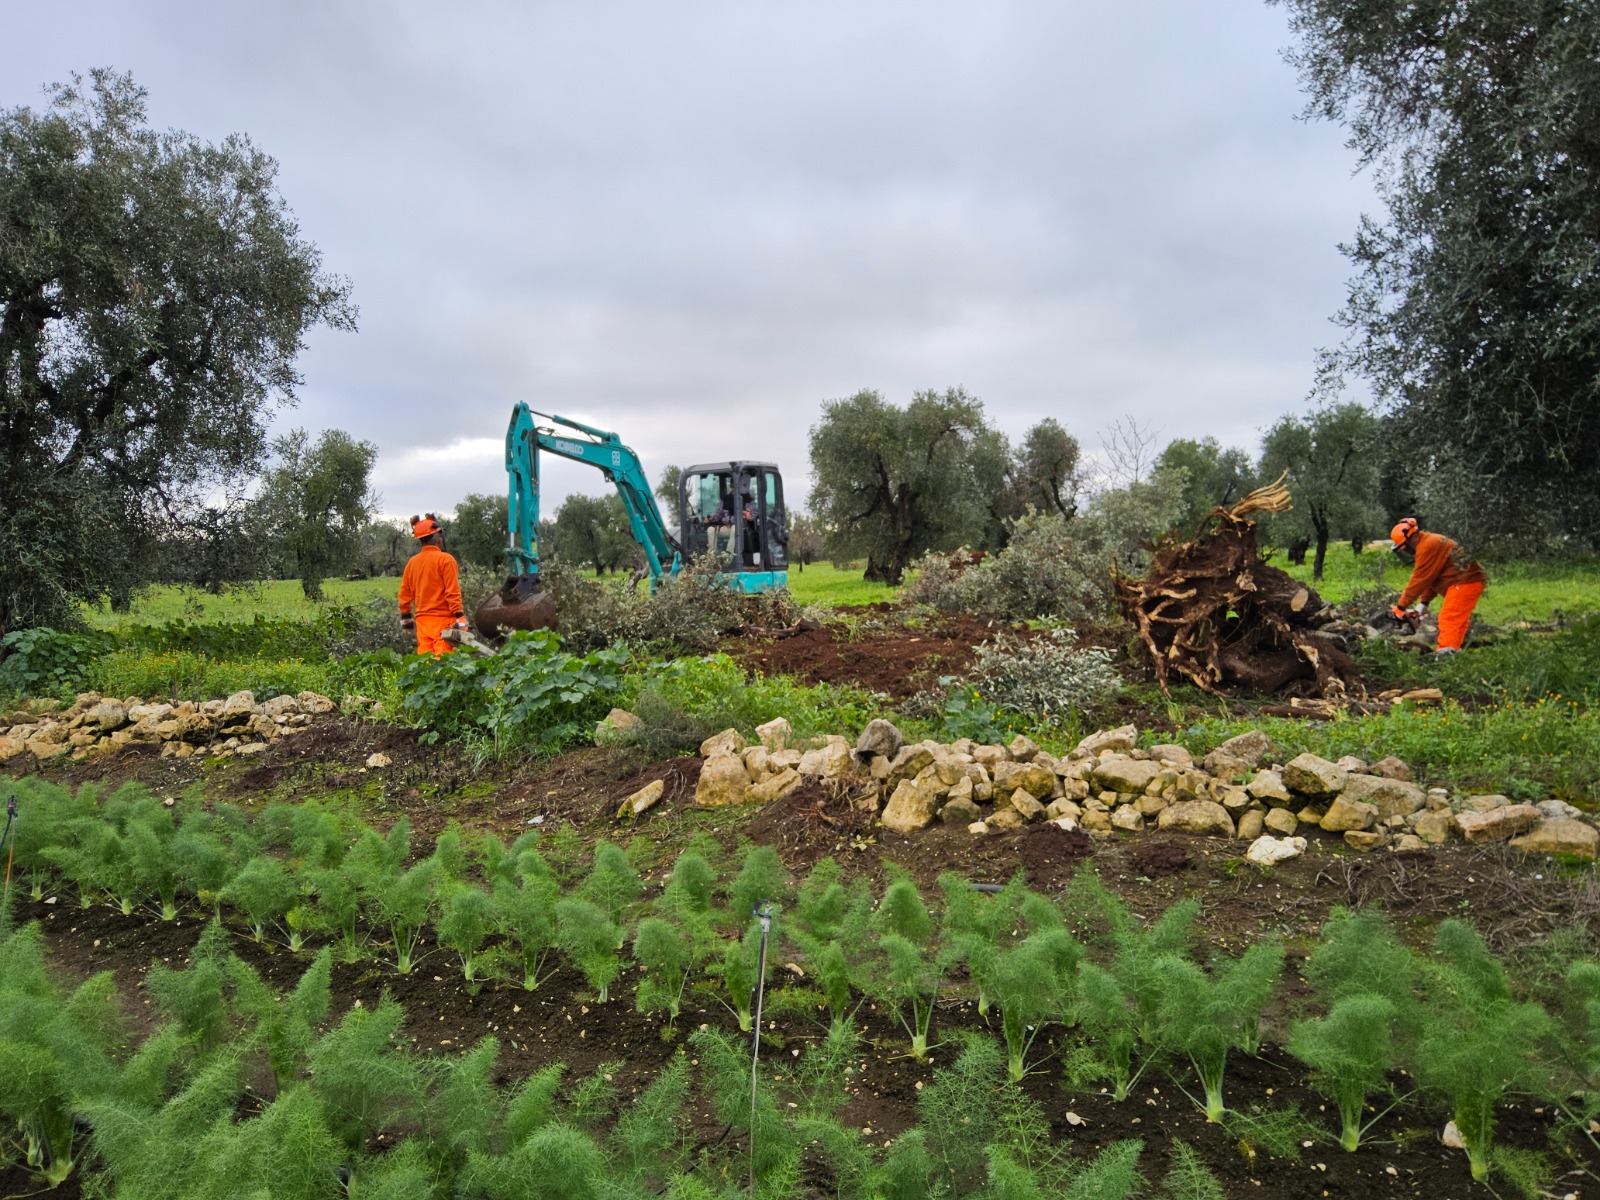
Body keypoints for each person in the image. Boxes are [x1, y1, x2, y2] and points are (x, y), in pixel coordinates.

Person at [1389, 518, 1487, 654]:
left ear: (1413, 537)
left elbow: (1420, 579)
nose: (1408, 552)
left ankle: (1446, 653)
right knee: (1458, 620)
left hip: (1465, 581)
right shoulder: (1428, 542)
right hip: (1466, 581)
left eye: (1406, 547)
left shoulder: (1428, 545)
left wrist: (1400, 607)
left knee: (1449, 618)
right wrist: (1423, 603)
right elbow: (1432, 577)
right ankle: (1454, 649)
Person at [399, 514, 469, 655]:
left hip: (422, 623)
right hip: (443, 622)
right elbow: (452, 592)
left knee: (425, 665)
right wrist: (460, 616)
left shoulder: (412, 563)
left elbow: (404, 594)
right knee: (443, 666)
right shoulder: (446, 560)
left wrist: (406, 618)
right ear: (438, 537)